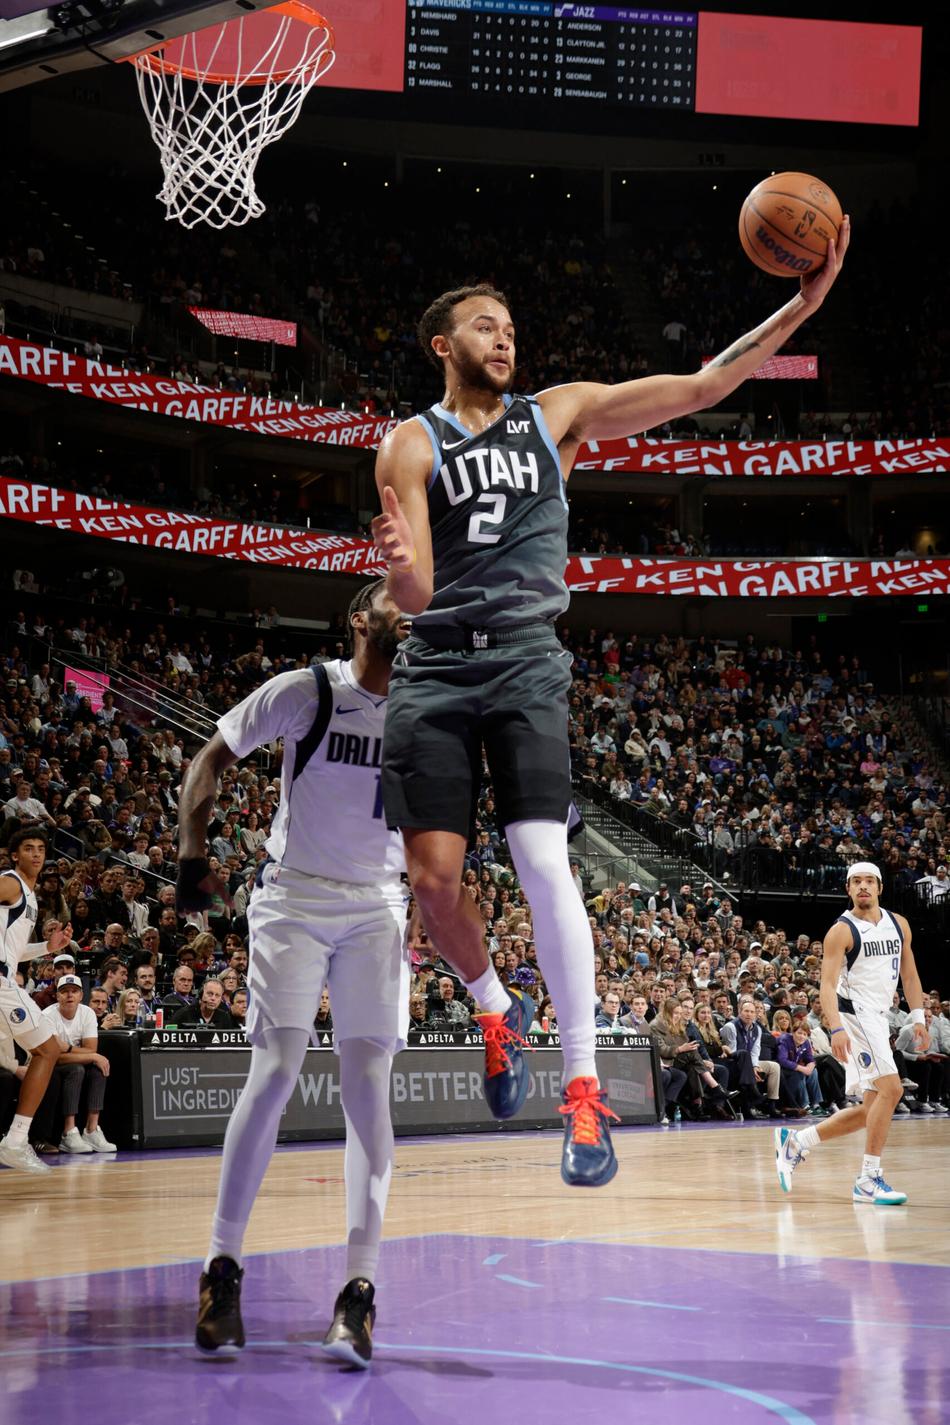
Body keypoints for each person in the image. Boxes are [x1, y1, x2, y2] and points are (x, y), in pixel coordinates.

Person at [370, 238, 848, 1188]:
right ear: (442, 346)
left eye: (510, 327)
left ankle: (583, 1094)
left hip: (526, 661)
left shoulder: (558, 414)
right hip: (435, 668)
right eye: (484, 326)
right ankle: (495, 1005)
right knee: (431, 883)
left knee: (543, 857)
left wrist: (802, 304)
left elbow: (704, 385)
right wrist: (398, 562)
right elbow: (415, 595)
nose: (503, 338)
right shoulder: (411, 444)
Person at [176, 580, 410, 1368]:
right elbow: (209, 758)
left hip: (378, 904)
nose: (412, 610)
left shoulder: (422, 708)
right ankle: (221, 1268)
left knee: (367, 1086)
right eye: (396, 599)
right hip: (294, 896)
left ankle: (358, 1293)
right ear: (360, 619)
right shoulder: (306, 690)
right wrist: (191, 856)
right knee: (277, 1068)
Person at [775, 863, 928, 1205]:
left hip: (878, 1016)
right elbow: (827, 986)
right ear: (848, 889)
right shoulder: (841, 931)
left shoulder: (899, 924)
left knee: (870, 1109)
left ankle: (796, 1143)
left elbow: (910, 975)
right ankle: (868, 1179)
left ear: (880, 887)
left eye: (869, 881)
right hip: (854, 1015)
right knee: (892, 1089)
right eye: (856, 881)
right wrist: (836, 1027)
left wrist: (918, 1016)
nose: (863, 886)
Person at [0, 826, 75, 1173]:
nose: (35, 854)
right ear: (15, 855)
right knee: (48, 1049)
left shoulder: (29, 898)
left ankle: (16, 1140)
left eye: (41, 849)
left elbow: (14, 953)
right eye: (28, 848)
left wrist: (48, 947)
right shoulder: (12, 882)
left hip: (6, 975)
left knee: (45, 1050)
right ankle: (15, 1141)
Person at [34, 975, 116, 1153]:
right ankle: (69, 1132)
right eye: (64, 991)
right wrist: (89, 1054)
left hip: (70, 1058)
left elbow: (92, 1048)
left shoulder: (87, 1013)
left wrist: (68, 1048)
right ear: (57, 996)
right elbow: (54, 1056)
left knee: (99, 1068)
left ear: (81, 995)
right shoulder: (47, 1016)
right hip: (51, 1065)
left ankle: (92, 1130)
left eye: (74, 991)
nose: (70, 995)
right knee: (77, 1069)